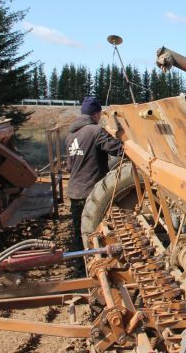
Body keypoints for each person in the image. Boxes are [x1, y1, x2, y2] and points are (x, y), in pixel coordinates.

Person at [66, 97, 122, 255]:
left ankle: (80, 266)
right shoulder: (95, 131)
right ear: (96, 114)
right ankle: (97, 264)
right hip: (91, 193)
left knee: (80, 233)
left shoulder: (70, 136)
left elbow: (70, 166)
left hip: (74, 192)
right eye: (100, 114)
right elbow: (117, 149)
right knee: (95, 234)